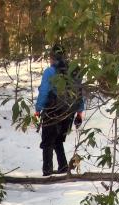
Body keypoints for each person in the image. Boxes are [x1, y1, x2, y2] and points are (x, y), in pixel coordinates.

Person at [34, 43, 85, 176]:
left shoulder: (50, 71)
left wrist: (38, 109)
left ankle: (47, 171)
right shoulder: (74, 70)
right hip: (69, 110)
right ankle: (62, 167)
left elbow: (44, 91)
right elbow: (79, 92)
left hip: (53, 109)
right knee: (58, 140)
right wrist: (79, 112)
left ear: (52, 57)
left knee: (47, 141)